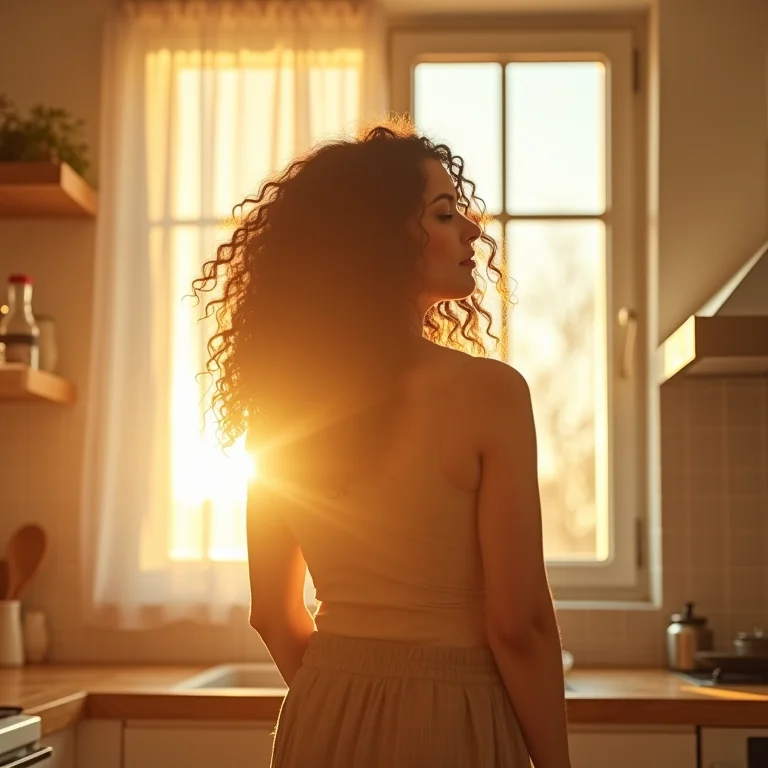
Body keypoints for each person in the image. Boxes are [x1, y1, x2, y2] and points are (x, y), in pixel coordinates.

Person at [192, 119, 571, 768]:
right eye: (446, 213)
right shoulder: (490, 392)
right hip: (457, 722)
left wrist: (347, 692)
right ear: (381, 240)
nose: (474, 229)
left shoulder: (281, 407)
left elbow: (273, 616)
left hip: (321, 716)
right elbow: (518, 625)